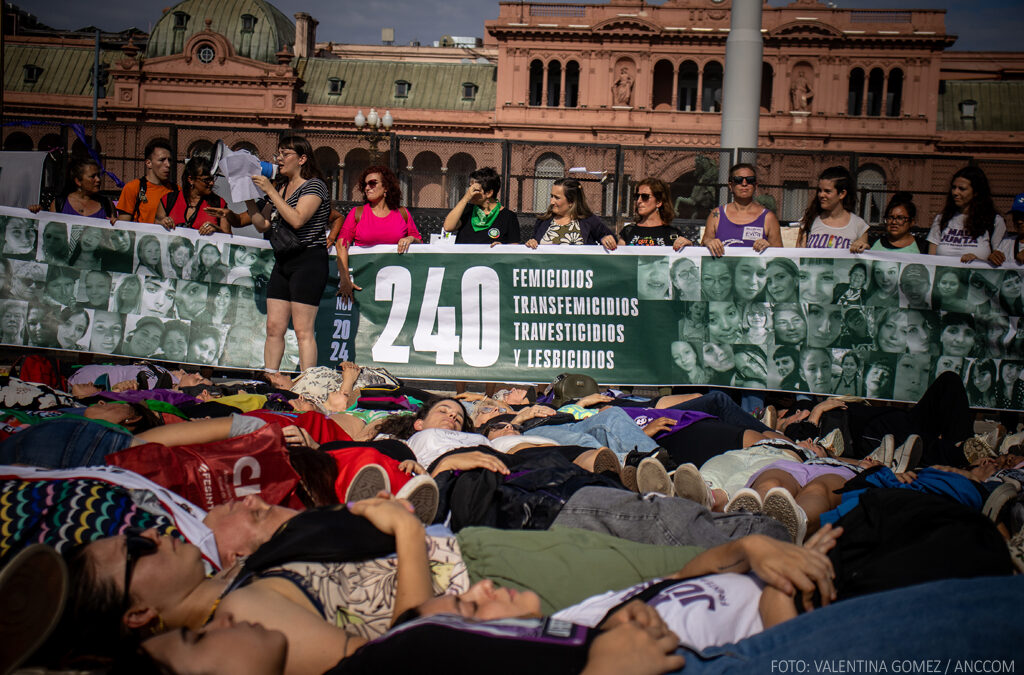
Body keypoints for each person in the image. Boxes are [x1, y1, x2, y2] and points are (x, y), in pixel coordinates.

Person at [246, 136, 331, 373]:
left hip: (308, 261)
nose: (279, 159)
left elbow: (297, 219)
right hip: (284, 261)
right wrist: (246, 197)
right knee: (274, 327)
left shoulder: (314, 185)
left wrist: (271, 191)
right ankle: (270, 376)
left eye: (286, 154)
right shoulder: (281, 188)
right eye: (278, 154)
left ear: (302, 159)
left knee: (303, 330)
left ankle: (307, 384)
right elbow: (262, 224)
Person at [336, 165, 422, 301]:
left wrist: (410, 239)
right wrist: (345, 279)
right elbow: (341, 244)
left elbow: (419, 241)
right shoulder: (357, 213)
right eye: (365, 184)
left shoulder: (402, 213)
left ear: (386, 187)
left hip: (396, 286)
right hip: (362, 285)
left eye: (372, 183)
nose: (367, 187)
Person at [928, 166, 1006, 264]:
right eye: (953, 187)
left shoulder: (994, 221)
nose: (955, 192)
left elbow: (1000, 262)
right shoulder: (942, 219)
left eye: (962, 189)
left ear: (976, 192)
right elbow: (931, 259)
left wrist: (978, 261)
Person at [701, 163, 782, 255]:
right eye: (738, 180)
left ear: (755, 185)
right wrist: (709, 242)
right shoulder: (717, 214)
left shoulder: (768, 218)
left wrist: (769, 247)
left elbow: (779, 256)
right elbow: (704, 246)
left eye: (750, 180)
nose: (744, 184)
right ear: (731, 186)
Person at [526, 178, 616, 250]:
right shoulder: (543, 221)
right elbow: (534, 243)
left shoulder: (589, 221)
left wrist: (606, 239)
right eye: (551, 196)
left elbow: (613, 241)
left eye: (557, 198)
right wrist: (531, 243)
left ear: (571, 201)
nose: (552, 201)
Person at [156, 156, 233, 235]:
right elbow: (155, 227)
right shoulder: (168, 200)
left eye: (212, 178)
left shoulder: (219, 204)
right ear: (191, 180)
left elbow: (228, 237)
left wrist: (216, 230)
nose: (212, 183)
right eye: (206, 180)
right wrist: (163, 222)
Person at [796, 166, 868, 251]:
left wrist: (863, 246)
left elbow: (863, 256)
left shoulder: (859, 226)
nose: (821, 195)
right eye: (820, 190)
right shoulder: (809, 220)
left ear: (842, 194)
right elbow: (799, 256)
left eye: (827, 191)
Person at [442, 167, 520, 245]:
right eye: (470, 188)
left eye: (475, 189)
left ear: (489, 193)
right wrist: (465, 198)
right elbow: (448, 227)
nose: (470, 192)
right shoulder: (467, 210)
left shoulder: (508, 217)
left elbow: (514, 247)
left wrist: (502, 248)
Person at [30, 157, 116, 222]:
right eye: (92, 176)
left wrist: (116, 224)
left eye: (98, 175)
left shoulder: (107, 204)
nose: (98, 180)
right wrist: (38, 214)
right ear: (78, 181)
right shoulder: (59, 204)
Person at [116, 138, 177, 224]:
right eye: (162, 160)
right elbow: (122, 226)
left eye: (169, 160)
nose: (168, 164)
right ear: (148, 163)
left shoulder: (176, 190)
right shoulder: (133, 187)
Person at [618, 177, 689, 249]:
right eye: (637, 196)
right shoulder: (628, 231)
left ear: (658, 202)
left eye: (645, 196)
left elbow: (686, 259)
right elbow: (618, 258)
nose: (639, 201)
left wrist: (689, 247)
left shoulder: (673, 234)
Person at [995, 191, 1024, 265]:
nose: (1019, 221)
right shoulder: (1007, 243)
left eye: (1023, 216)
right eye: (1016, 216)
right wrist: (993, 258)